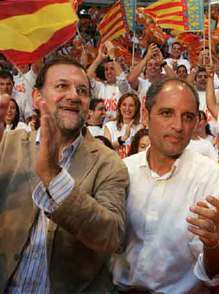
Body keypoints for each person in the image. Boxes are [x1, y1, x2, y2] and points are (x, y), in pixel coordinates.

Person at [0, 56, 128, 293]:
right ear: (37, 97)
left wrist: (53, 177)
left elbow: (111, 236)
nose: (73, 96)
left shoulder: (109, 163)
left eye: (82, 90)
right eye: (62, 86)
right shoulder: (8, 145)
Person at [112, 78, 219, 293]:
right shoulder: (122, 172)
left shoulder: (214, 179)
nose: (178, 126)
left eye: (188, 117)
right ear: (146, 115)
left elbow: (218, 274)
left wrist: (213, 243)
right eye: (166, 113)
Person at [104, 93, 142, 158]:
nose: (127, 108)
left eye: (131, 105)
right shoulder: (109, 126)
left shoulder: (140, 127)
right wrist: (123, 138)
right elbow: (106, 149)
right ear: (119, 107)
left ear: (136, 109)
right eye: (124, 105)